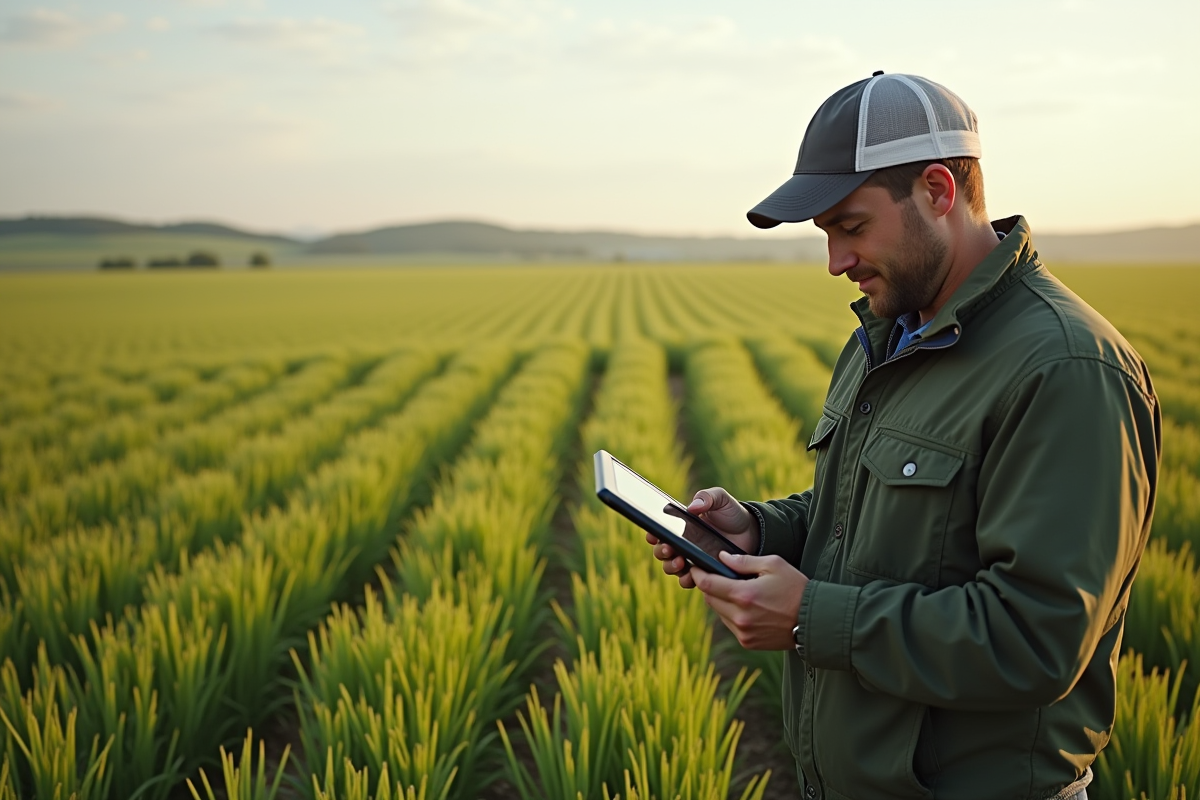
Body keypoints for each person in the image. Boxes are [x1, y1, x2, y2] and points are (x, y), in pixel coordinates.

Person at [647, 72, 1160, 799]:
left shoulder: (1067, 368)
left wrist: (807, 618)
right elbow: (870, 519)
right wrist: (760, 531)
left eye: (851, 227)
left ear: (938, 191)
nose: (835, 261)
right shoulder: (882, 339)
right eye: (826, 234)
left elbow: (1038, 638)